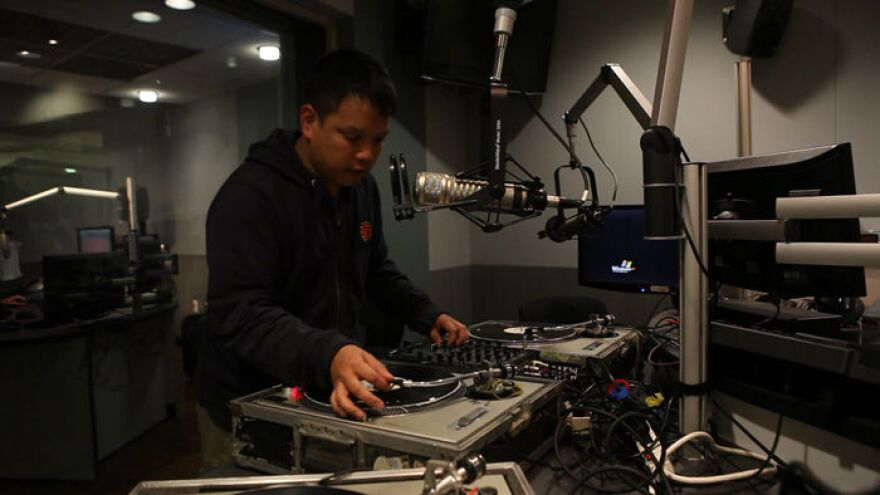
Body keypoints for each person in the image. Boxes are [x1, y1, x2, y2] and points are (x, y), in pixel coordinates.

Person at [195, 48, 468, 471]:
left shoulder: (362, 189)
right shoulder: (248, 196)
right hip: (247, 403)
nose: (366, 155)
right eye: (352, 137)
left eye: (377, 140)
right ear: (309, 121)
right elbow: (242, 313)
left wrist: (424, 312)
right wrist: (330, 351)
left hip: (324, 385)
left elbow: (374, 269)